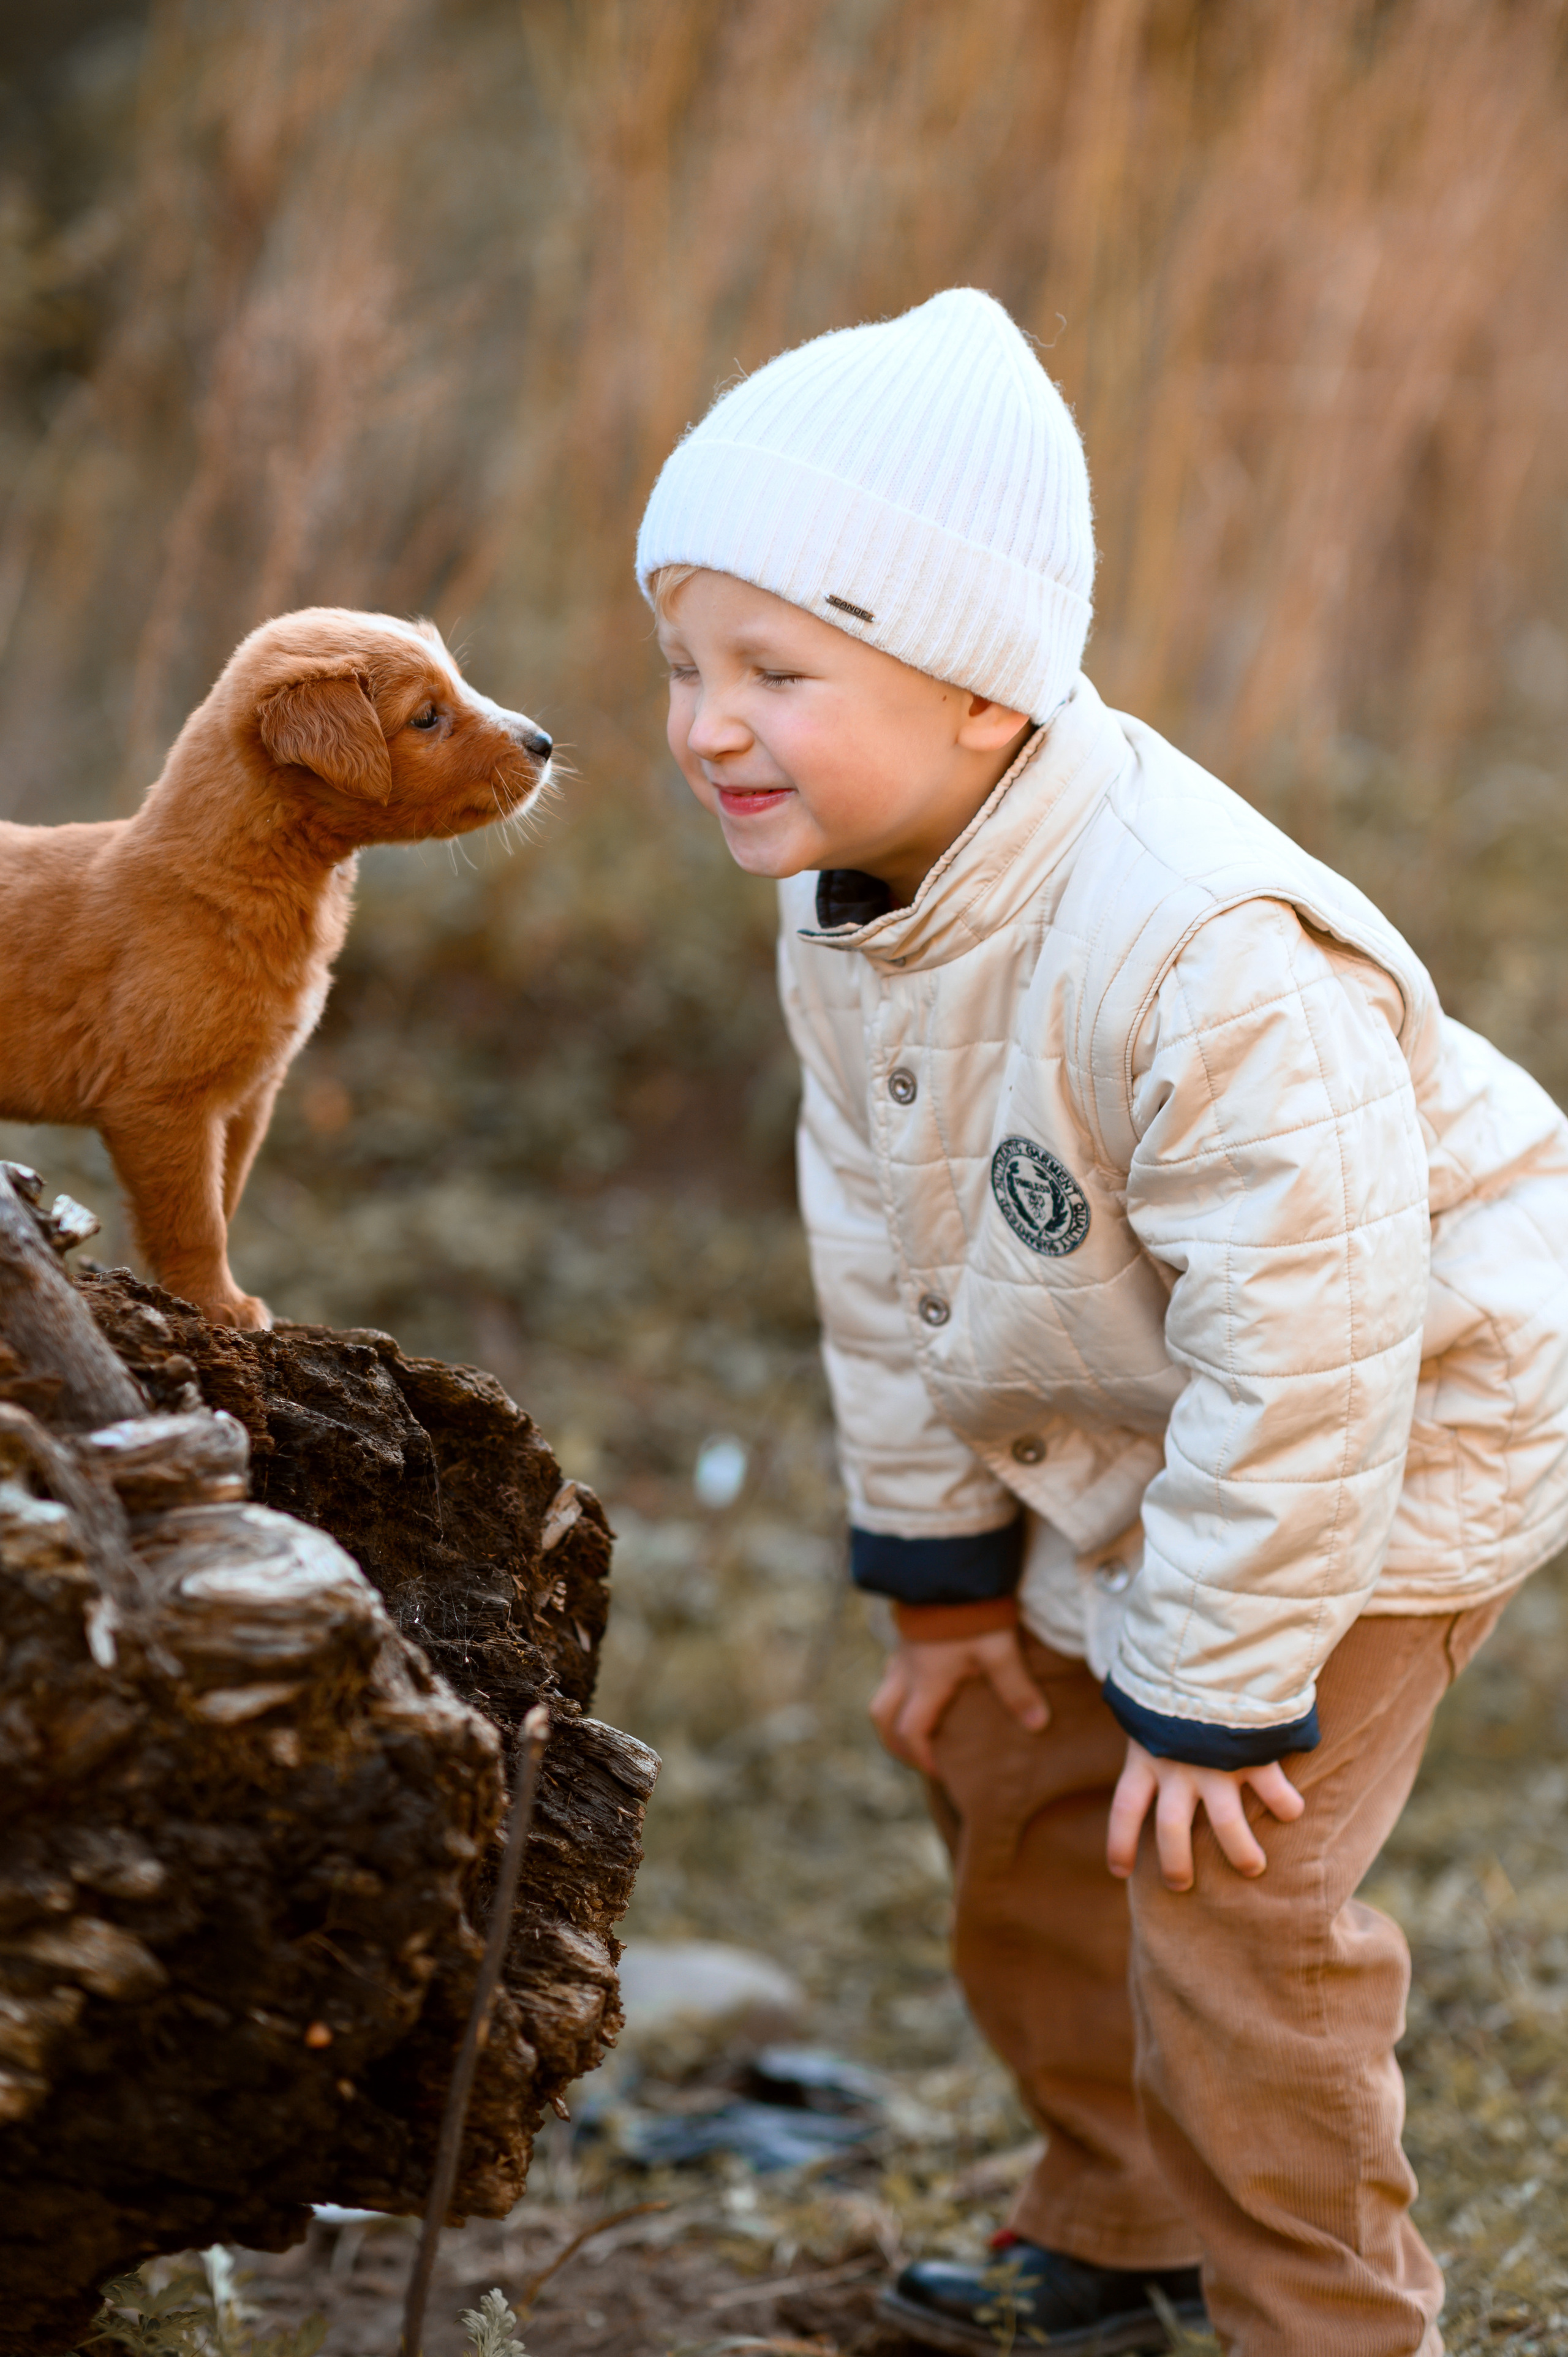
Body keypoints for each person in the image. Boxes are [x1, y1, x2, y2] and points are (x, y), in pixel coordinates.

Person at [633, 287, 1568, 2357]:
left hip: (1393, 1416)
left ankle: (1329, 2321)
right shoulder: (847, 903)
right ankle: (1119, 2211)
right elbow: (877, 1246)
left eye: (776, 670)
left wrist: (1218, 1689)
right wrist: (947, 1579)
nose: (705, 720)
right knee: (1021, 1774)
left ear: (985, 693)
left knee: (1226, 1879)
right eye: (686, 661)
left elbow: (1313, 1345)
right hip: (1135, 1394)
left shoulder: (1205, 951)